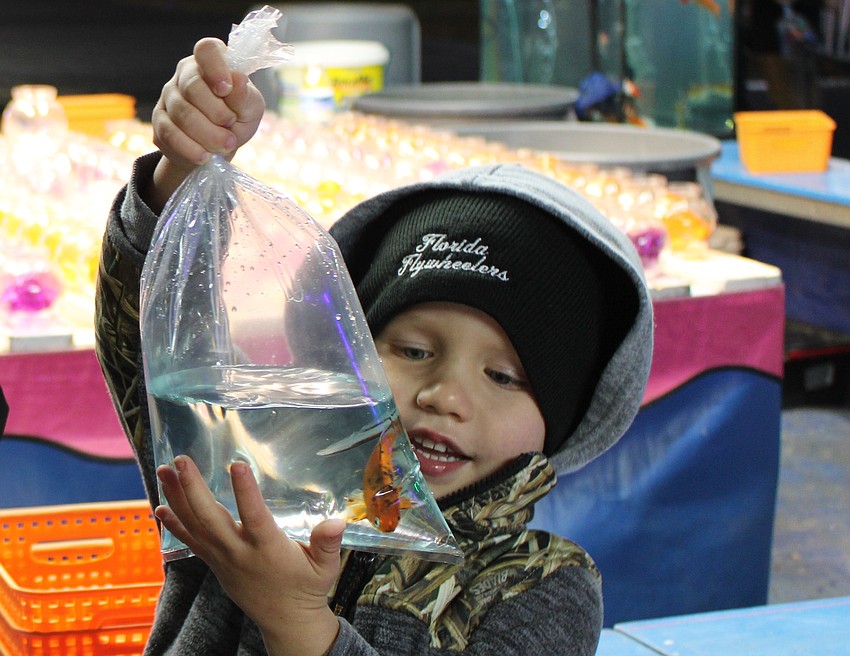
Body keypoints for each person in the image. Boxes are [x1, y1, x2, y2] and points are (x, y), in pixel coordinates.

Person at [95, 38, 653, 656]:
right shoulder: (252, 476)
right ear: (346, 358)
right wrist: (183, 169)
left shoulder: (541, 587)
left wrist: (295, 620)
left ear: (562, 419)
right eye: (414, 351)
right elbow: (146, 344)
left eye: (503, 376)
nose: (444, 396)